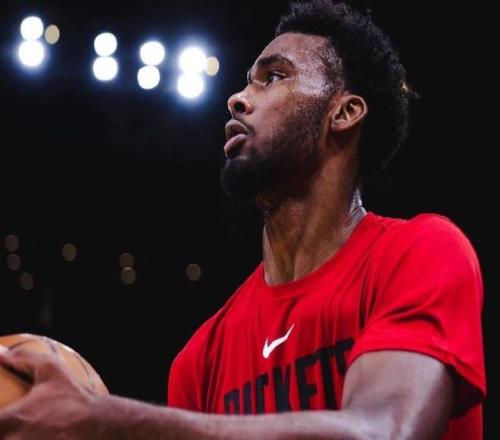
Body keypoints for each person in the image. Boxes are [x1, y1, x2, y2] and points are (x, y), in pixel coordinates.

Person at [0, 0, 485, 439]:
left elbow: (384, 431)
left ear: (344, 112)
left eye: (273, 77)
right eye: (247, 80)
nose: (237, 97)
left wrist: (109, 420)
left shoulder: (421, 253)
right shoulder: (201, 358)